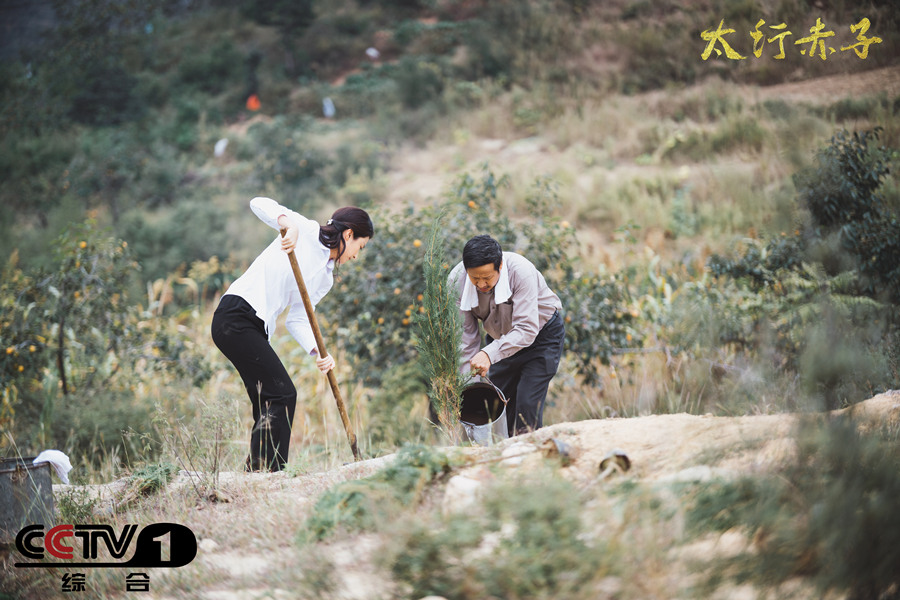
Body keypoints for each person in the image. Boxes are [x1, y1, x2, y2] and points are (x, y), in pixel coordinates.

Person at [211, 196, 373, 471]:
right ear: (348, 235)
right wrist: (289, 225)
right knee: (282, 394)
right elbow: (258, 203)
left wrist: (318, 351)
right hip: (236, 315)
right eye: (360, 246)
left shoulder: (325, 278)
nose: (357, 255)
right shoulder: (307, 230)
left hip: (256, 327)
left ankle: (258, 471)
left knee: (268, 398)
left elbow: (297, 320)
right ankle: (270, 472)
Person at [450, 234, 565, 436]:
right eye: (475, 278)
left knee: (527, 403)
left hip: (541, 338)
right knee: (497, 405)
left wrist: (488, 354)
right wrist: (468, 383)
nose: (481, 284)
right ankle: (503, 452)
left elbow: (526, 329)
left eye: (487, 278)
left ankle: (529, 451)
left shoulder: (521, 272)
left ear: (500, 266)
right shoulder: (456, 281)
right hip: (500, 343)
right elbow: (465, 337)